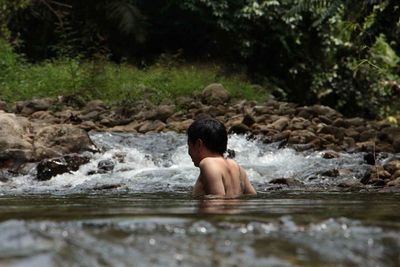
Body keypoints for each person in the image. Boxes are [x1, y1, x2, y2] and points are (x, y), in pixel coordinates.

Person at [187, 117, 257, 197]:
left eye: (189, 145)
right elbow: (252, 195)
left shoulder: (208, 163)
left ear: (198, 144)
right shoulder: (237, 167)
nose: (189, 152)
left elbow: (217, 199)